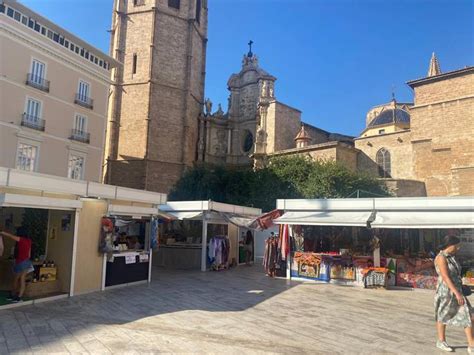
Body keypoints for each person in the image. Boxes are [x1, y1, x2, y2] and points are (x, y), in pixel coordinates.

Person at [434, 235, 473, 353]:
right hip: (446, 291)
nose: (458, 248)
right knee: (443, 315)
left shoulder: (451, 257)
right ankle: (441, 341)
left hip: (457, 290)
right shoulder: (441, 257)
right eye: (457, 245)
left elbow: (455, 273)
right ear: (450, 245)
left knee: (469, 314)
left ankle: (471, 344)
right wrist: (457, 293)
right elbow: (445, 277)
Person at [0, 227, 33, 303]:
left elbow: (11, 236)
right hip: (24, 261)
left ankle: (16, 296)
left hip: (20, 261)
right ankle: (16, 296)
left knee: (18, 279)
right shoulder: (29, 241)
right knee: (20, 279)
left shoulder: (21, 239)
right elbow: (29, 254)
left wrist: (2, 232)